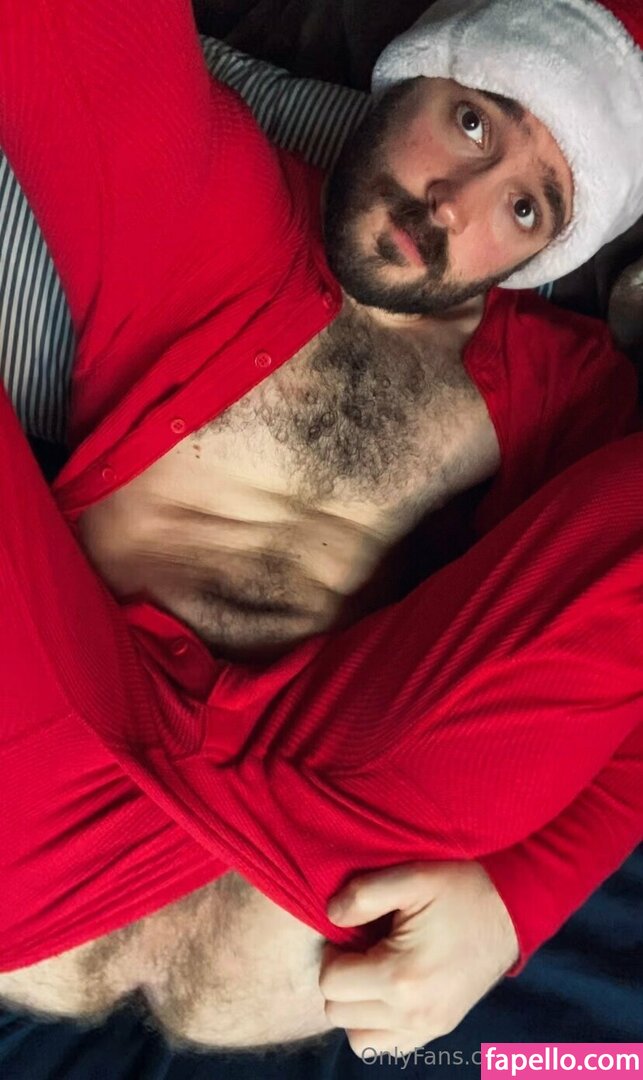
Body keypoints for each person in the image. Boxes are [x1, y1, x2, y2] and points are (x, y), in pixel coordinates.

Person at [0, 0, 641, 1058]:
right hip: (58, 745)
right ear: (410, 77)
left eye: (527, 208)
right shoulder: (209, 197)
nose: (454, 203)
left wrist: (514, 905)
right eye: (471, 123)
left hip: (330, 803)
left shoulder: (564, 387)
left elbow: (611, 668)